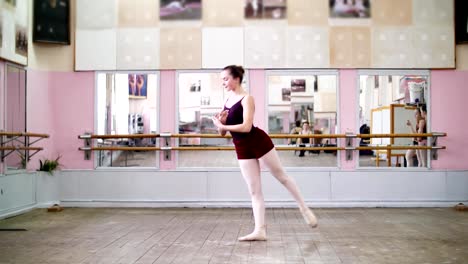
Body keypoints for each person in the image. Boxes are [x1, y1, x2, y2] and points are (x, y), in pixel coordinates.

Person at [212, 65, 318, 242]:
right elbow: (224, 133)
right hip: (241, 146)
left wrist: (223, 126)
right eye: (222, 79)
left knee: (281, 176)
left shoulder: (247, 99)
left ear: (236, 79)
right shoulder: (228, 99)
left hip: (257, 141)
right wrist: (221, 124)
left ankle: (304, 208)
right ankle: (260, 230)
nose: (223, 82)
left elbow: (246, 127)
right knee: (254, 191)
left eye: (225, 78)